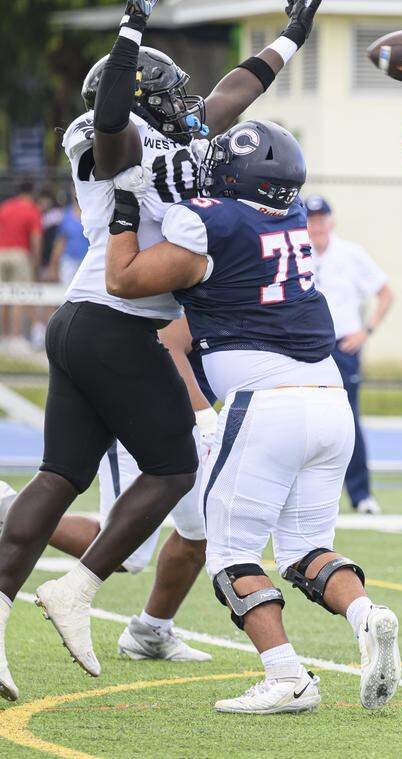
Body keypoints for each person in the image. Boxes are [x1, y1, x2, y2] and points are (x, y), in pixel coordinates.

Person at [0, 0, 323, 702]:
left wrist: (290, 39)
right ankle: (78, 589)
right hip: (115, 321)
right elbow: (114, 118)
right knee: (175, 464)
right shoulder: (115, 139)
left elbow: (233, 90)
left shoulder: (173, 131)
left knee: (60, 478)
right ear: (136, 92)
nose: (187, 104)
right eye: (169, 93)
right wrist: (131, 27)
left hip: (89, 321)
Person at [105, 118, 400, 714]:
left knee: (230, 553)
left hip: (267, 402)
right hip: (329, 400)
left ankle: (287, 676)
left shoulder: (211, 220)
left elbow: (123, 278)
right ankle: (367, 614)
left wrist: (125, 209)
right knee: (304, 548)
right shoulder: (289, 218)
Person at [44, 316, 215, 662]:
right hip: (143, 414)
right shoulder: (201, 271)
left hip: (181, 417)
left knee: (200, 531)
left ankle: (150, 632)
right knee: (126, 552)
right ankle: (8, 510)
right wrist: (205, 414)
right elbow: (169, 339)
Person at [306, 195, 394, 515]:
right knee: (303, 420)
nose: (316, 226)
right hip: (305, 348)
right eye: (310, 219)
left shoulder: (350, 254)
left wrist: (365, 331)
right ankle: (306, 497)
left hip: (343, 347)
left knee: (348, 420)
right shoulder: (295, 252)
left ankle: (361, 495)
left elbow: (385, 293)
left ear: (331, 221)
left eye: (321, 219)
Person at [0, 180, 42, 344]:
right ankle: (16, 338)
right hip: (20, 254)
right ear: (32, 192)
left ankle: (3, 336)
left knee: (3, 297)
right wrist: (36, 263)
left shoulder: (5, 207)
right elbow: (36, 239)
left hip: (1, 252)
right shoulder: (32, 210)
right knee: (19, 295)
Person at [49, 197, 89, 286]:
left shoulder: (93, 214)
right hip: (68, 261)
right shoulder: (66, 215)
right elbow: (60, 242)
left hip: (87, 262)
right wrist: (53, 266)